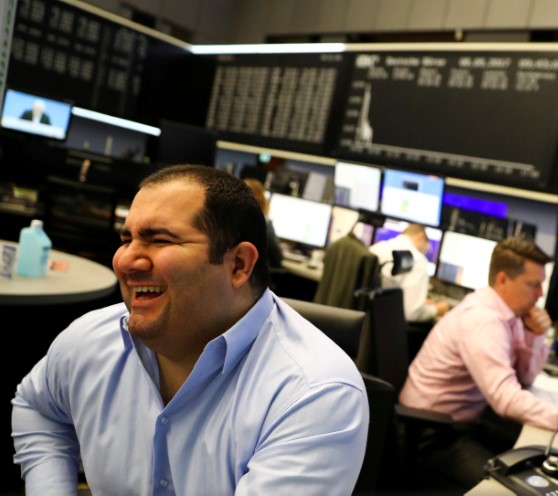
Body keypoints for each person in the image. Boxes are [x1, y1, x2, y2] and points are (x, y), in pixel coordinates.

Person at [11, 164, 369, 495]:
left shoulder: (314, 393)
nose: (125, 261)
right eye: (126, 240)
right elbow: (38, 406)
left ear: (239, 265)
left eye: (160, 240)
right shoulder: (92, 340)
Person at [399, 236, 558, 489]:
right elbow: (505, 399)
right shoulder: (483, 320)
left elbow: (525, 379)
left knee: (545, 464)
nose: (540, 295)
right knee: (514, 489)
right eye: (533, 285)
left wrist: (534, 335)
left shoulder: (507, 315)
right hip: (431, 435)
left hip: (463, 423)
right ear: (503, 280)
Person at [369, 223, 449, 323]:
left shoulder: (377, 247)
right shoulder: (418, 260)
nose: (426, 251)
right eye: (427, 248)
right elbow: (411, 313)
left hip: (364, 318)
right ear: (420, 236)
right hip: (384, 324)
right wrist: (436, 309)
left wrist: (420, 302)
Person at [243, 177, 284, 270]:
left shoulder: (232, 219)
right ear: (261, 198)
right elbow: (278, 257)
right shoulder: (264, 223)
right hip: (257, 278)